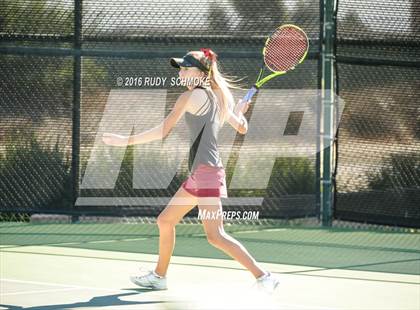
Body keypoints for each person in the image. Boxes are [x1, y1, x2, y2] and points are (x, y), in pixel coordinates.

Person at [102, 49, 279, 293]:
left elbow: (162, 131)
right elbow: (242, 128)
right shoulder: (219, 97)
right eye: (180, 69)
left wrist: (125, 141)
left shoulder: (190, 98)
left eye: (186, 68)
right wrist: (238, 110)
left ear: (201, 73)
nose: (181, 73)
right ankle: (159, 276)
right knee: (166, 221)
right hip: (202, 173)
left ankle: (264, 276)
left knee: (215, 235)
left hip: (206, 173)